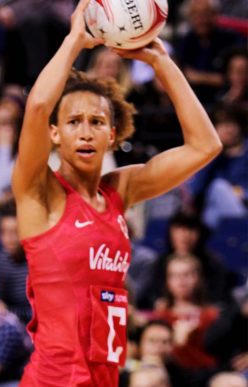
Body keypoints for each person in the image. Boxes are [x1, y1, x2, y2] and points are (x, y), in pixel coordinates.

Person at [11, 0, 222, 385]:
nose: (86, 131)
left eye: (97, 122)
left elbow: (205, 146)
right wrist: (75, 40)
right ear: (55, 134)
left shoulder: (118, 192)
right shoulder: (40, 193)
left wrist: (161, 62)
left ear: (112, 135)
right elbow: (39, 106)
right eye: (73, 121)